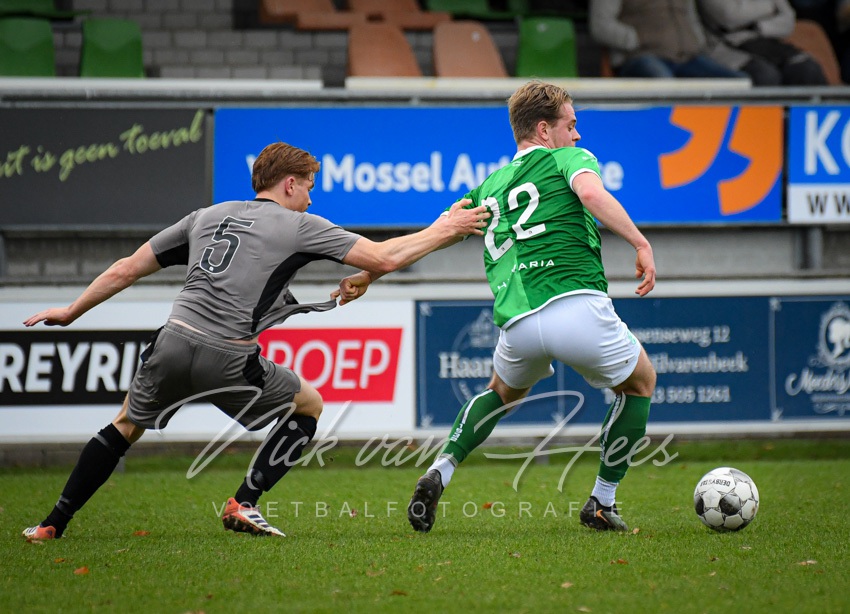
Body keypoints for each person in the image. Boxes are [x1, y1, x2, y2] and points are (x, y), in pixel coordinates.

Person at [20, 141, 490, 540]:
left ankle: (51, 524)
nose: (310, 199)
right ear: (289, 184)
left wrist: (71, 310)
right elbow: (385, 257)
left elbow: (126, 268)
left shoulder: (205, 216)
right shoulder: (299, 225)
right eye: (309, 187)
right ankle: (244, 502)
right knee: (309, 405)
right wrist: (445, 229)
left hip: (172, 340)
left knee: (124, 425)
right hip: (227, 355)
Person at [339, 81, 658, 533]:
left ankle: (440, 469)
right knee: (640, 383)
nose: (577, 135)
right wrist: (640, 243)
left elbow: (433, 236)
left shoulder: (487, 189)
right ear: (544, 130)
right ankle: (602, 501)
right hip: (575, 303)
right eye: (571, 125)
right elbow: (590, 194)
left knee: (500, 394)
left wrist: (369, 274)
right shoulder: (568, 159)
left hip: (518, 323)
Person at [589, 0, 749, 79]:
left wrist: (697, 42)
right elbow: (600, 25)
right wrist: (637, 39)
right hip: (641, 56)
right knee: (666, 86)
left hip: (689, 58)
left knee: (739, 83)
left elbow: (690, 18)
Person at [699, 0, 828, 86]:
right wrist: (770, 7)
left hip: (768, 42)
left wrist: (758, 27)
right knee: (765, 75)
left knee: (807, 68)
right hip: (726, 47)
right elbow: (729, 16)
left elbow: (788, 21)